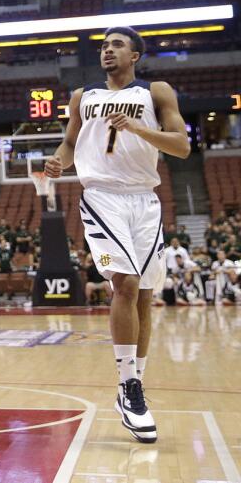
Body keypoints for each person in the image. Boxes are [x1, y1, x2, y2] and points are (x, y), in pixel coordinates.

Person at [45, 26, 189, 445]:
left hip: (145, 200)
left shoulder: (156, 91)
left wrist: (137, 128)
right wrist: (58, 161)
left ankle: (135, 385)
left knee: (144, 294)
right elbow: (70, 143)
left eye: (117, 45)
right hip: (101, 197)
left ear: (136, 55)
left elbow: (181, 147)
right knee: (123, 284)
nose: (108, 51)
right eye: (104, 46)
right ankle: (128, 386)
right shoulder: (82, 96)